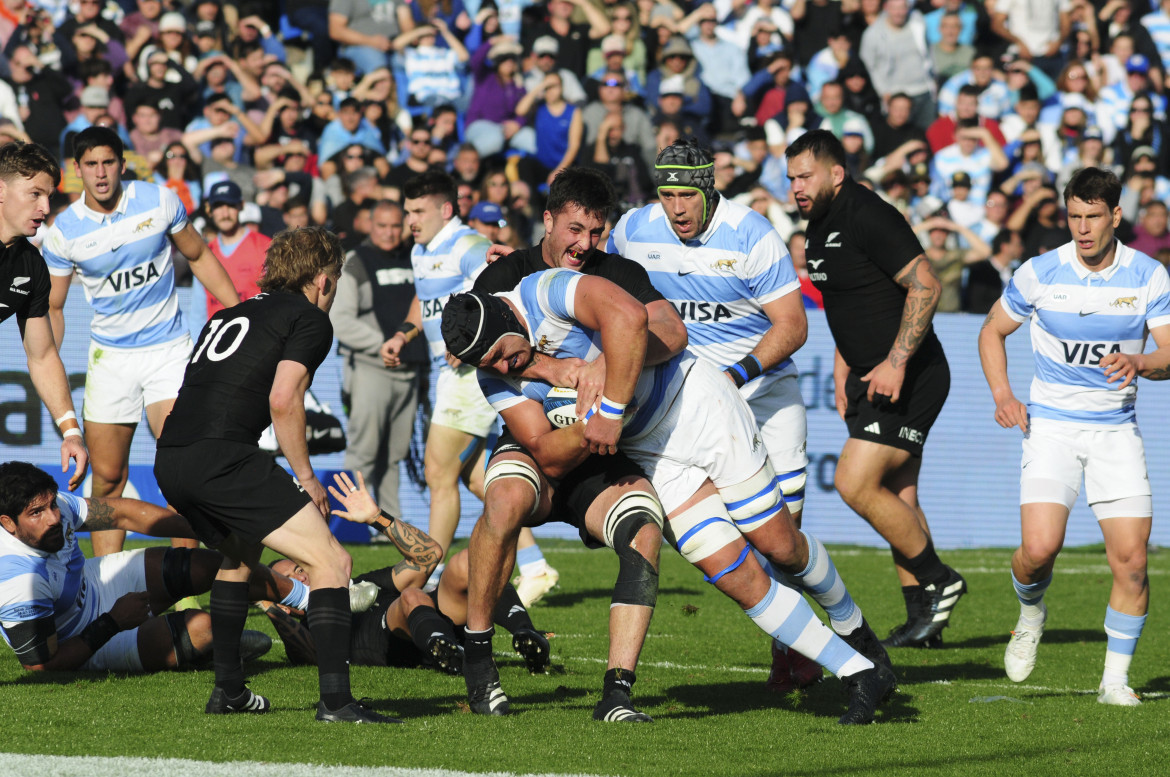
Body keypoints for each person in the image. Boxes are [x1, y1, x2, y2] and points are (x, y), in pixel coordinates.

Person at [443, 275, 897, 725]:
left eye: (501, 354)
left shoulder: (547, 290)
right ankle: (858, 672)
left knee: (780, 545)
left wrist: (609, 398)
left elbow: (632, 317)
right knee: (732, 572)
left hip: (696, 407)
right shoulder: (495, 373)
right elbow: (545, 452)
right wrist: (581, 416)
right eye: (488, 364)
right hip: (651, 453)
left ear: (508, 318)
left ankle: (853, 625)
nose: (502, 368)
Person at [609, 137, 882, 692]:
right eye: (667, 194)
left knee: (783, 540)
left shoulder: (751, 234)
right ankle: (812, 646)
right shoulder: (634, 230)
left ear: (709, 189)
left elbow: (793, 325)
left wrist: (733, 377)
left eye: (687, 195)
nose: (676, 208)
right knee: (724, 551)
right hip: (686, 412)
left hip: (763, 399)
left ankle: (809, 651)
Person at [459, 167, 685, 721]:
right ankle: (478, 654)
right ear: (548, 219)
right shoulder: (504, 279)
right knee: (505, 499)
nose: (584, 245)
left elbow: (672, 330)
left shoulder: (617, 273)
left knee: (644, 533)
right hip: (537, 438)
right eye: (575, 229)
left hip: (603, 451)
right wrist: (570, 377)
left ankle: (617, 694)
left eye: (596, 232)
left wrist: (608, 361)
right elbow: (496, 363)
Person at [154, 226, 397, 724]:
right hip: (222, 457)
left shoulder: (232, 313)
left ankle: (229, 692)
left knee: (239, 557)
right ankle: (335, 702)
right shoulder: (308, 318)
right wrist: (306, 477)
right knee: (332, 562)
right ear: (325, 281)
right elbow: (283, 399)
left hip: (173, 456)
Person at [977, 167, 1170, 707]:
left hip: (1115, 431)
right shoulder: (1040, 271)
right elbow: (991, 330)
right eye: (1074, 216)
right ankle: (1031, 612)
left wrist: (1140, 362)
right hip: (1052, 428)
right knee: (1038, 552)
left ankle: (1114, 682)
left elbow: (1168, 353)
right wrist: (1002, 396)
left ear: (1115, 215)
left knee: (1132, 562)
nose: (1082, 228)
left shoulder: (1149, 275)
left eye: (1092, 216)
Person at [785, 129, 967, 649]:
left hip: (910, 375)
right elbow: (852, 302)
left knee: (854, 483)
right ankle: (923, 619)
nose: (797, 186)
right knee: (898, 494)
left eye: (806, 175)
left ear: (836, 174)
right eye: (792, 177)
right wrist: (845, 368)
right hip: (870, 376)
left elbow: (926, 284)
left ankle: (940, 579)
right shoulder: (817, 225)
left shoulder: (869, 214)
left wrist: (894, 361)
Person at [42, 127, 240, 558]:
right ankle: (106, 583)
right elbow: (54, 308)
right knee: (108, 476)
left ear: (123, 163)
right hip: (111, 360)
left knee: (180, 468)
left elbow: (200, 255)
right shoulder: (65, 232)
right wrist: (49, 361)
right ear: (77, 171)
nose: (100, 173)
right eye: (91, 164)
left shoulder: (159, 200)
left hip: (169, 351)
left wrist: (238, 310)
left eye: (108, 162)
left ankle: (185, 579)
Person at [382, 171, 554, 598]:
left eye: (418, 211)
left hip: (473, 375)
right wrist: (405, 332)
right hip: (450, 373)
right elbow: (426, 298)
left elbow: (503, 289)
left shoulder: (466, 245)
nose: (411, 221)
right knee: (479, 481)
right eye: (408, 212)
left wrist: (472, 342)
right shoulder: (422, 249)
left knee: (439, 472)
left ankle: (426, 577)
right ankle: (535, 568)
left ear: (445, 209)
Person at [0, 461, 306, 673]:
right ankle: (214, 646)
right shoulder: (17, 580)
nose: (53, 517)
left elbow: (125, 514)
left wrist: (207, 532)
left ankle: (311, 600)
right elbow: (41, 665)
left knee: (212, 564)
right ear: (8, 524)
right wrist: (112, 622)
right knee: (204, 628)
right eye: (37, 513)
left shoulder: (53, 508)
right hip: (78, 639)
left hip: (92, 584)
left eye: (52, 505)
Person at [261, 472, 549, 677]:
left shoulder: (361, 584)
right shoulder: (311, 629)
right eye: (290, 580)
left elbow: (429, 555)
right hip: (410, 642)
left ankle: (528, 634)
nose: (301, 577)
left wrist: (377, 518)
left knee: (472, 564)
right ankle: (450, 654)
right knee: (411, 596)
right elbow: (307, 654)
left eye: (299, 569)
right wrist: (268, 604)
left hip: (441, 618)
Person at [330, 200, 426, 522]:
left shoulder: (416, 258)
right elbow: (340, 321)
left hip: (409, 371)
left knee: (395, 455)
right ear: (369, 225)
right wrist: (382, 344)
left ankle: (389, 524)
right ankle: (345, 526)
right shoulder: (356, 262)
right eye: (381, 225)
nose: (389, 232)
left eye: (395, 225)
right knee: (363, 452)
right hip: (372, 370)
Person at [0, 141, 88, 491]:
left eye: (49, 196)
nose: (45, 207)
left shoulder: (30, 265)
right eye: (35, 194)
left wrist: (71, 431)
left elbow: (43, 355)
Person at [204, 180, 272, 319]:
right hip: (218, 336)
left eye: (230, 205)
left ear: (241, 206)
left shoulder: (265, 246)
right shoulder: (204, 253)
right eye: (218, 206)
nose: (225, 213)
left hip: (256, 334)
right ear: (209, 210)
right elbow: (198, 311)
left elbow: (275, 302)